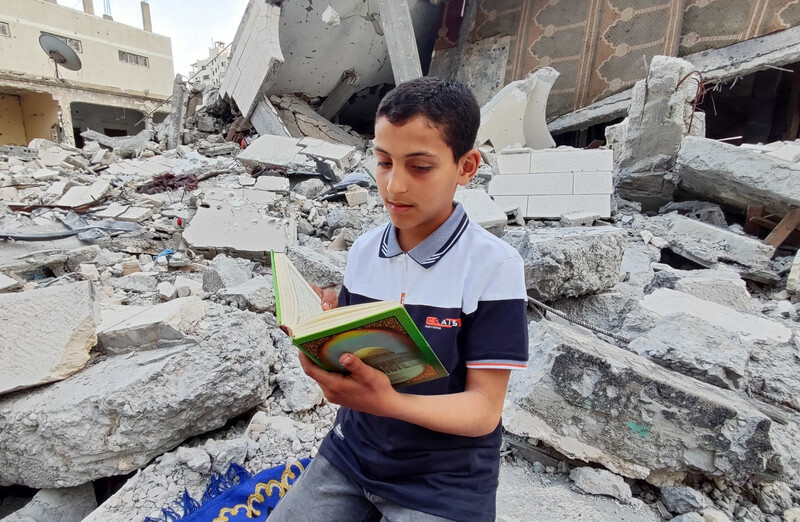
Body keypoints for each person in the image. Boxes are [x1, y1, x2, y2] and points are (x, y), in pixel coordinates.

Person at [270, 77, 529, 522]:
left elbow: (483, 411)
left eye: (420, 167)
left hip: (444, 481)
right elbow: (359, 346)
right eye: (384, 162)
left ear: (466, 167)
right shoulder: (365, 250)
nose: (394, 187)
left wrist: (387, 403)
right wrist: (320, 328)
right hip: (351, 455)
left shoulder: (493, 267)